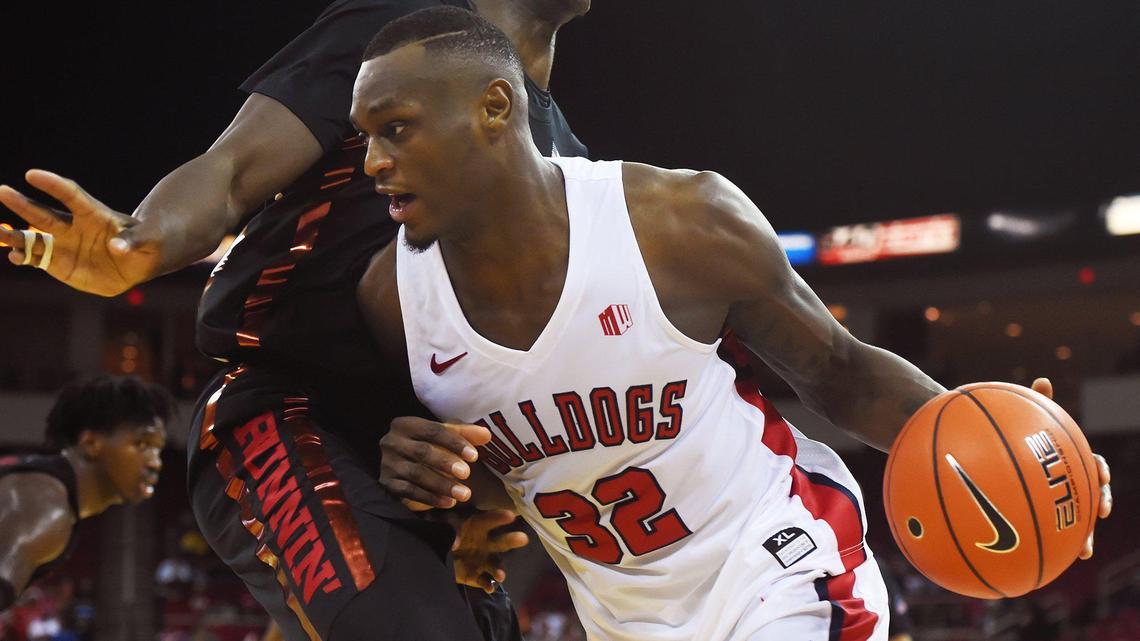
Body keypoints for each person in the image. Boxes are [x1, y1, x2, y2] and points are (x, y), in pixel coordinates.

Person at [353, 9, 1114, 641]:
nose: (371, 162)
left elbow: (840, 372)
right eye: (365, 136)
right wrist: (432, 483)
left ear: (495, 107)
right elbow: (508, 482)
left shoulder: (678, 225)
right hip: (620, 619)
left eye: (395, 129)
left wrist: (1009, 449)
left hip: (780, 567)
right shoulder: (394, 301)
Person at [0, 2, 587, 639]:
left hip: (422, 461)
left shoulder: (571, 160)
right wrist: (145, 240)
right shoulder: (399, 42)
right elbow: (232, 171)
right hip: (289, 406)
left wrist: (483, 499)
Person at [0, 375, 170, 612]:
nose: (156, 463)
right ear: (90, 443)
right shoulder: (47, 508)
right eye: (142, 444)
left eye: (158, 449)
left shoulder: (46, 492)